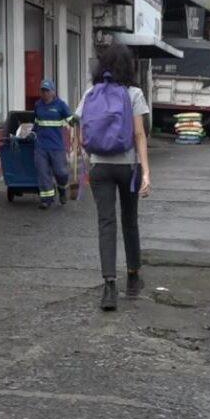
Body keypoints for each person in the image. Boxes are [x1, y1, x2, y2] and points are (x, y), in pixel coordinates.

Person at [76, 44, 151, 312]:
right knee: (129, 220)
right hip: (127, 167)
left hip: (99, 168)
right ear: (128, 66)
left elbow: (82, 133)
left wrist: (87, 161)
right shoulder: (134, 94)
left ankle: (109, 285)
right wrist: (146, 172)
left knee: (105, 223)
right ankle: (133, 271)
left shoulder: (90, 93)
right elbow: (140, 134)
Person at [33, 80, 72, 210]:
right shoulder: (38, 105)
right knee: (43, 173)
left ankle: (62, 189)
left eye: (47, 91)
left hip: (56, 146)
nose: (44, 93)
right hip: (41, 146)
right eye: (42, 90)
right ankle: (46, 200)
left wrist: (76, 121)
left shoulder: (61, 105)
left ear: (53, 92)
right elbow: (36, 123)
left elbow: (71, 119)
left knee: (61, 173)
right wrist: (31, 133)